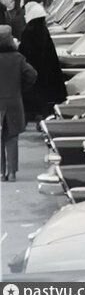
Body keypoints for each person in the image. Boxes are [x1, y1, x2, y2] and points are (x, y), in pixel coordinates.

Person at [17, 0, 66, 124]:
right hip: (47, 71)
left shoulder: (29, 31)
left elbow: (25, 52)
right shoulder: (44, 31)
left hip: (33, 69)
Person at [0, 25, 36, 181]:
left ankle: (1, 173)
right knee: (12, 137)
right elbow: (32, 75)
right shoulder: (18, 58)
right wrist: (22, 88)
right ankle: (12, 172)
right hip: (14, 101)